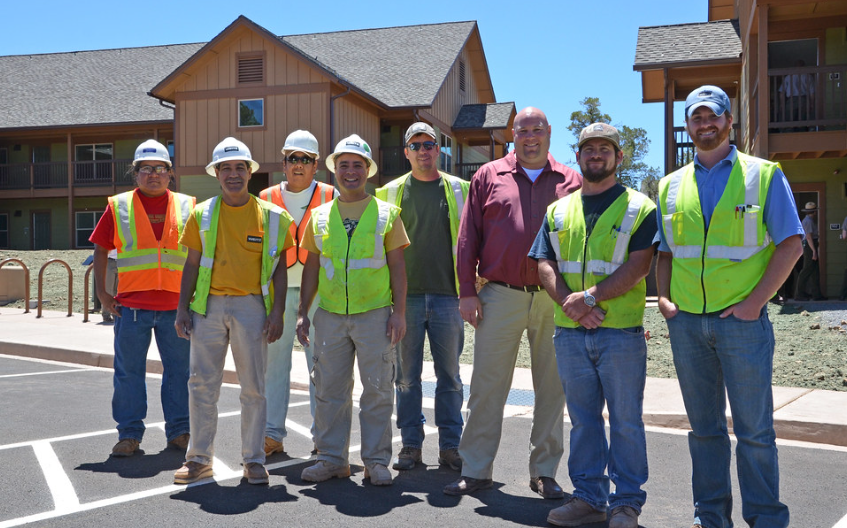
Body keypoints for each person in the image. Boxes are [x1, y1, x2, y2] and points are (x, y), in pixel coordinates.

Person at [656, 85, 802, 528]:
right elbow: (665, 252)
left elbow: (791, 244)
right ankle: (711, 517)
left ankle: (765, 519)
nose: (706, 125)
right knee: (704, 432)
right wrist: (662, 298)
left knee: (754, 433)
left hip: (743, 324)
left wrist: (755, 303)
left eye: (713, 116)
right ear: (688, 126)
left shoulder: (764, 174)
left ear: (729, 121)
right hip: (687, 325)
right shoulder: (670, 185)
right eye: (697, 118)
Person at [444, 107, 582, 498]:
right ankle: (476, 469)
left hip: (555, 299)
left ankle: (544, 472)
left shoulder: (571, 180)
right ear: (513, 135)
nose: (530, 137)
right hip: (499, 294)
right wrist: (467, 291)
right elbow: (468, 234)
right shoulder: (489, 176)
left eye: (537, 129)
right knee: (487, 385)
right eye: (523, 130)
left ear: (549, 133)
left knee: (553, 388)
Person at [532, 123, 657, 528]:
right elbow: (544, 264)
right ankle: (588, 498)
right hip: (570, 334)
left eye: (605, 149)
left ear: (620, 157)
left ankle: (625, 504)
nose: (596, 155)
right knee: (583, 421)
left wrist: (587, 299)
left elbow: (640, 265)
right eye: (589, 149)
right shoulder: (558, 209)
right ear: (579, 155)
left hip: (620, 332)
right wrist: (574, 308)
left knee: (625, 421)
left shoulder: (640, 207)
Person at [173, 137, 294, 486]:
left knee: (254, 388)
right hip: (208, 306)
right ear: (216, 174)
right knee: (201, 386)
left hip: (252, 307)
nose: (233, 174)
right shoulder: (202, 215)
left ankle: (253, 460)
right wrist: (182, 308)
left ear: (250, 172)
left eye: (240, 167)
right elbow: (191, 265)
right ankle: (198, 460)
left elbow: (281, 270)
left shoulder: (273, 218)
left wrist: (278, 313)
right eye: (225, 168)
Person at [297, 134, 409, 487]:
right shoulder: (318, 216)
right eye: (343, 165)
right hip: (329, 315)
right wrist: (303, 311)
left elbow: (399, 269)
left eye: (357, 165)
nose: (350, 171)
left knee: (376, 390)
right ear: (333, 170)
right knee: (329, 390)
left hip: (375, 313)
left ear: (368, 171)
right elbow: (311, 268)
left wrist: (399, 312)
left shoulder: (387, 214)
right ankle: (331, 459)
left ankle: (376, 462)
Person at [90, 139, 195, 457]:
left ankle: (179, 431)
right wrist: (102, 293)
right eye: (146, 169)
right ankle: (129, 434)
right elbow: (101, 247)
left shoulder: (188, 205)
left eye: (160, 168)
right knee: (128, 372)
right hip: (131, 308)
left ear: (170, 173)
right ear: (135, 173)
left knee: (179, 373)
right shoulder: (119, 205)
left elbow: (198, 255)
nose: (154, 174)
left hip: (176, 309)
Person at [375, 122, 468, 472]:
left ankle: (450, 446)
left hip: (449, 297)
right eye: (416, 145)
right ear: (406, 152)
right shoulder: (387, 193)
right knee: (406, 377)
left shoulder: (462, 190)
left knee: (450, 377)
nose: (423, 150)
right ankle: (411, 444)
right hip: (405, 301)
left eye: (429, 143)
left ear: (438, 149)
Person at [259, 130, 337, 457]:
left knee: (320, 366)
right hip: (276, 292)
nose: (299, 165)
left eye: (305, 159)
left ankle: (324, 438)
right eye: (293, 158)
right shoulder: (264, 196)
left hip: (317, 291)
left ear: (316, 164)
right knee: (274, 367)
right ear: (283, 163)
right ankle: (272, 434)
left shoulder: (331, 195)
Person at [794, 201, 825, 301]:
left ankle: (817, 294)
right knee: (806, 270)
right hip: (809, 246)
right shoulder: (808, 221)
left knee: (815, 271)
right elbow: (808, 237)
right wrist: (814, 251)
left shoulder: (809, 220)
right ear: (814, 212)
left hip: (811, 246)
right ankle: (799, 294)